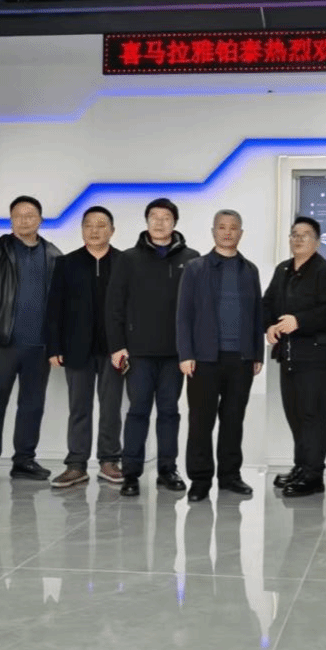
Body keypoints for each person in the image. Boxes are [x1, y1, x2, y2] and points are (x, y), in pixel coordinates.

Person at [107, 197, 200, 497]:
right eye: (154, 217)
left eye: (166, 218)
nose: (160, 223)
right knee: (137, 412)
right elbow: (114, 306)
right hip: (138, 353)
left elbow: (198, 309)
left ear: (175, 222)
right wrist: (117, 346)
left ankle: (167, 470)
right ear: (147, 221)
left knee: (170, 412)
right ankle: (131, 473)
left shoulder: (192, 259)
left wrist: (191, 350)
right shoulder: (128, 259)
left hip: (176, 353)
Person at [0, 196, 62, 490]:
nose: (24, 220)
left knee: (32, 407)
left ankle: (24, 461)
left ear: (41, 220)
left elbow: (62, 304)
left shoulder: (53, 254)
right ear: (11, 220)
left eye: (30, 215)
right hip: (0, 343)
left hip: (40, 347)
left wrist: (57, 343)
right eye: (18, 215)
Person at [175, 210, 265, 502]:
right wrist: (186, 353)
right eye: (222, 227)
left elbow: (257, 313)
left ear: (241, 233)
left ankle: (230, 476)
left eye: (233, 228)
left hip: (241, 358)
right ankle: (200, 480)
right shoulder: (196, 268)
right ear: (213, 231)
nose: (227, 232)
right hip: (204, 358)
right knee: (201, 421)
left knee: (233, 420)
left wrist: (257, 353)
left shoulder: (249, 270)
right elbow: (184, 315)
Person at [263, 216, 326, 498]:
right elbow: (267, 304)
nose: (298, 239)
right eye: (294, 234)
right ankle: (301, 466)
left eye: (305, 234)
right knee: (295, 415)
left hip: (317, 358)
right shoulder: (283, 270)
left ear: (317, 241)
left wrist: (299, 321)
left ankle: (313, 475)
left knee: (313, 416)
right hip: (289, 356)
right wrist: (269, 326)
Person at [44, 205, 124, 489]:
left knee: (111, 407)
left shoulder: (124, 262)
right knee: (79, 408)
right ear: (81, 230)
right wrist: (53, 346)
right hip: (76, 348)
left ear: (112, 231)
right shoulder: (67, 263)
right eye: (89, 225)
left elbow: (133, 308)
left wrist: (128, 346)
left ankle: (109, 460)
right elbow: (54, 308)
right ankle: (76, 465)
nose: (94, 230)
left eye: (101, 225)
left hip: (114, 350)